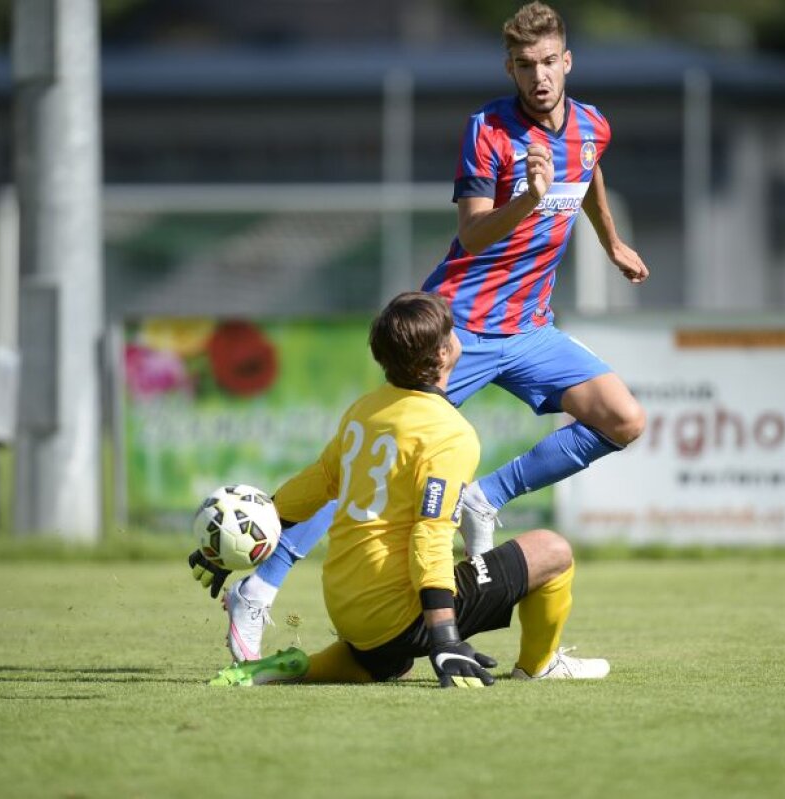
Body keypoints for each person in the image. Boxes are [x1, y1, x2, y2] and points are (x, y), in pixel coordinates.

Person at [190, 0, 646, 663]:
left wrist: (612, 241)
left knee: (623, 418)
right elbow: (473, 233)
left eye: (549, 62)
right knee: (365, 466)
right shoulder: (488, 130)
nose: (539, 76)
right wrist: (526, 200)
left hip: (529, 327)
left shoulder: (591, 125)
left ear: (567, 61)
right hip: (457, 328)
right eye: (525, 65)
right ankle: (258, 587)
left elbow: (590, 173)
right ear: (510, 68)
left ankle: (487, 496)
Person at [206, 292, 608, 687]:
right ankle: (539, 665)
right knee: (552, 550)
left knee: (392, 661)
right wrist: (445, 638)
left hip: (346, 606)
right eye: (452, 330)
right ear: (443, 354)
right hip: (395, 615)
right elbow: (430, 535)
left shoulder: (365, 409)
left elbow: (317, 483)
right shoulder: (450, 432)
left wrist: (239, 539)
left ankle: (302, 668)